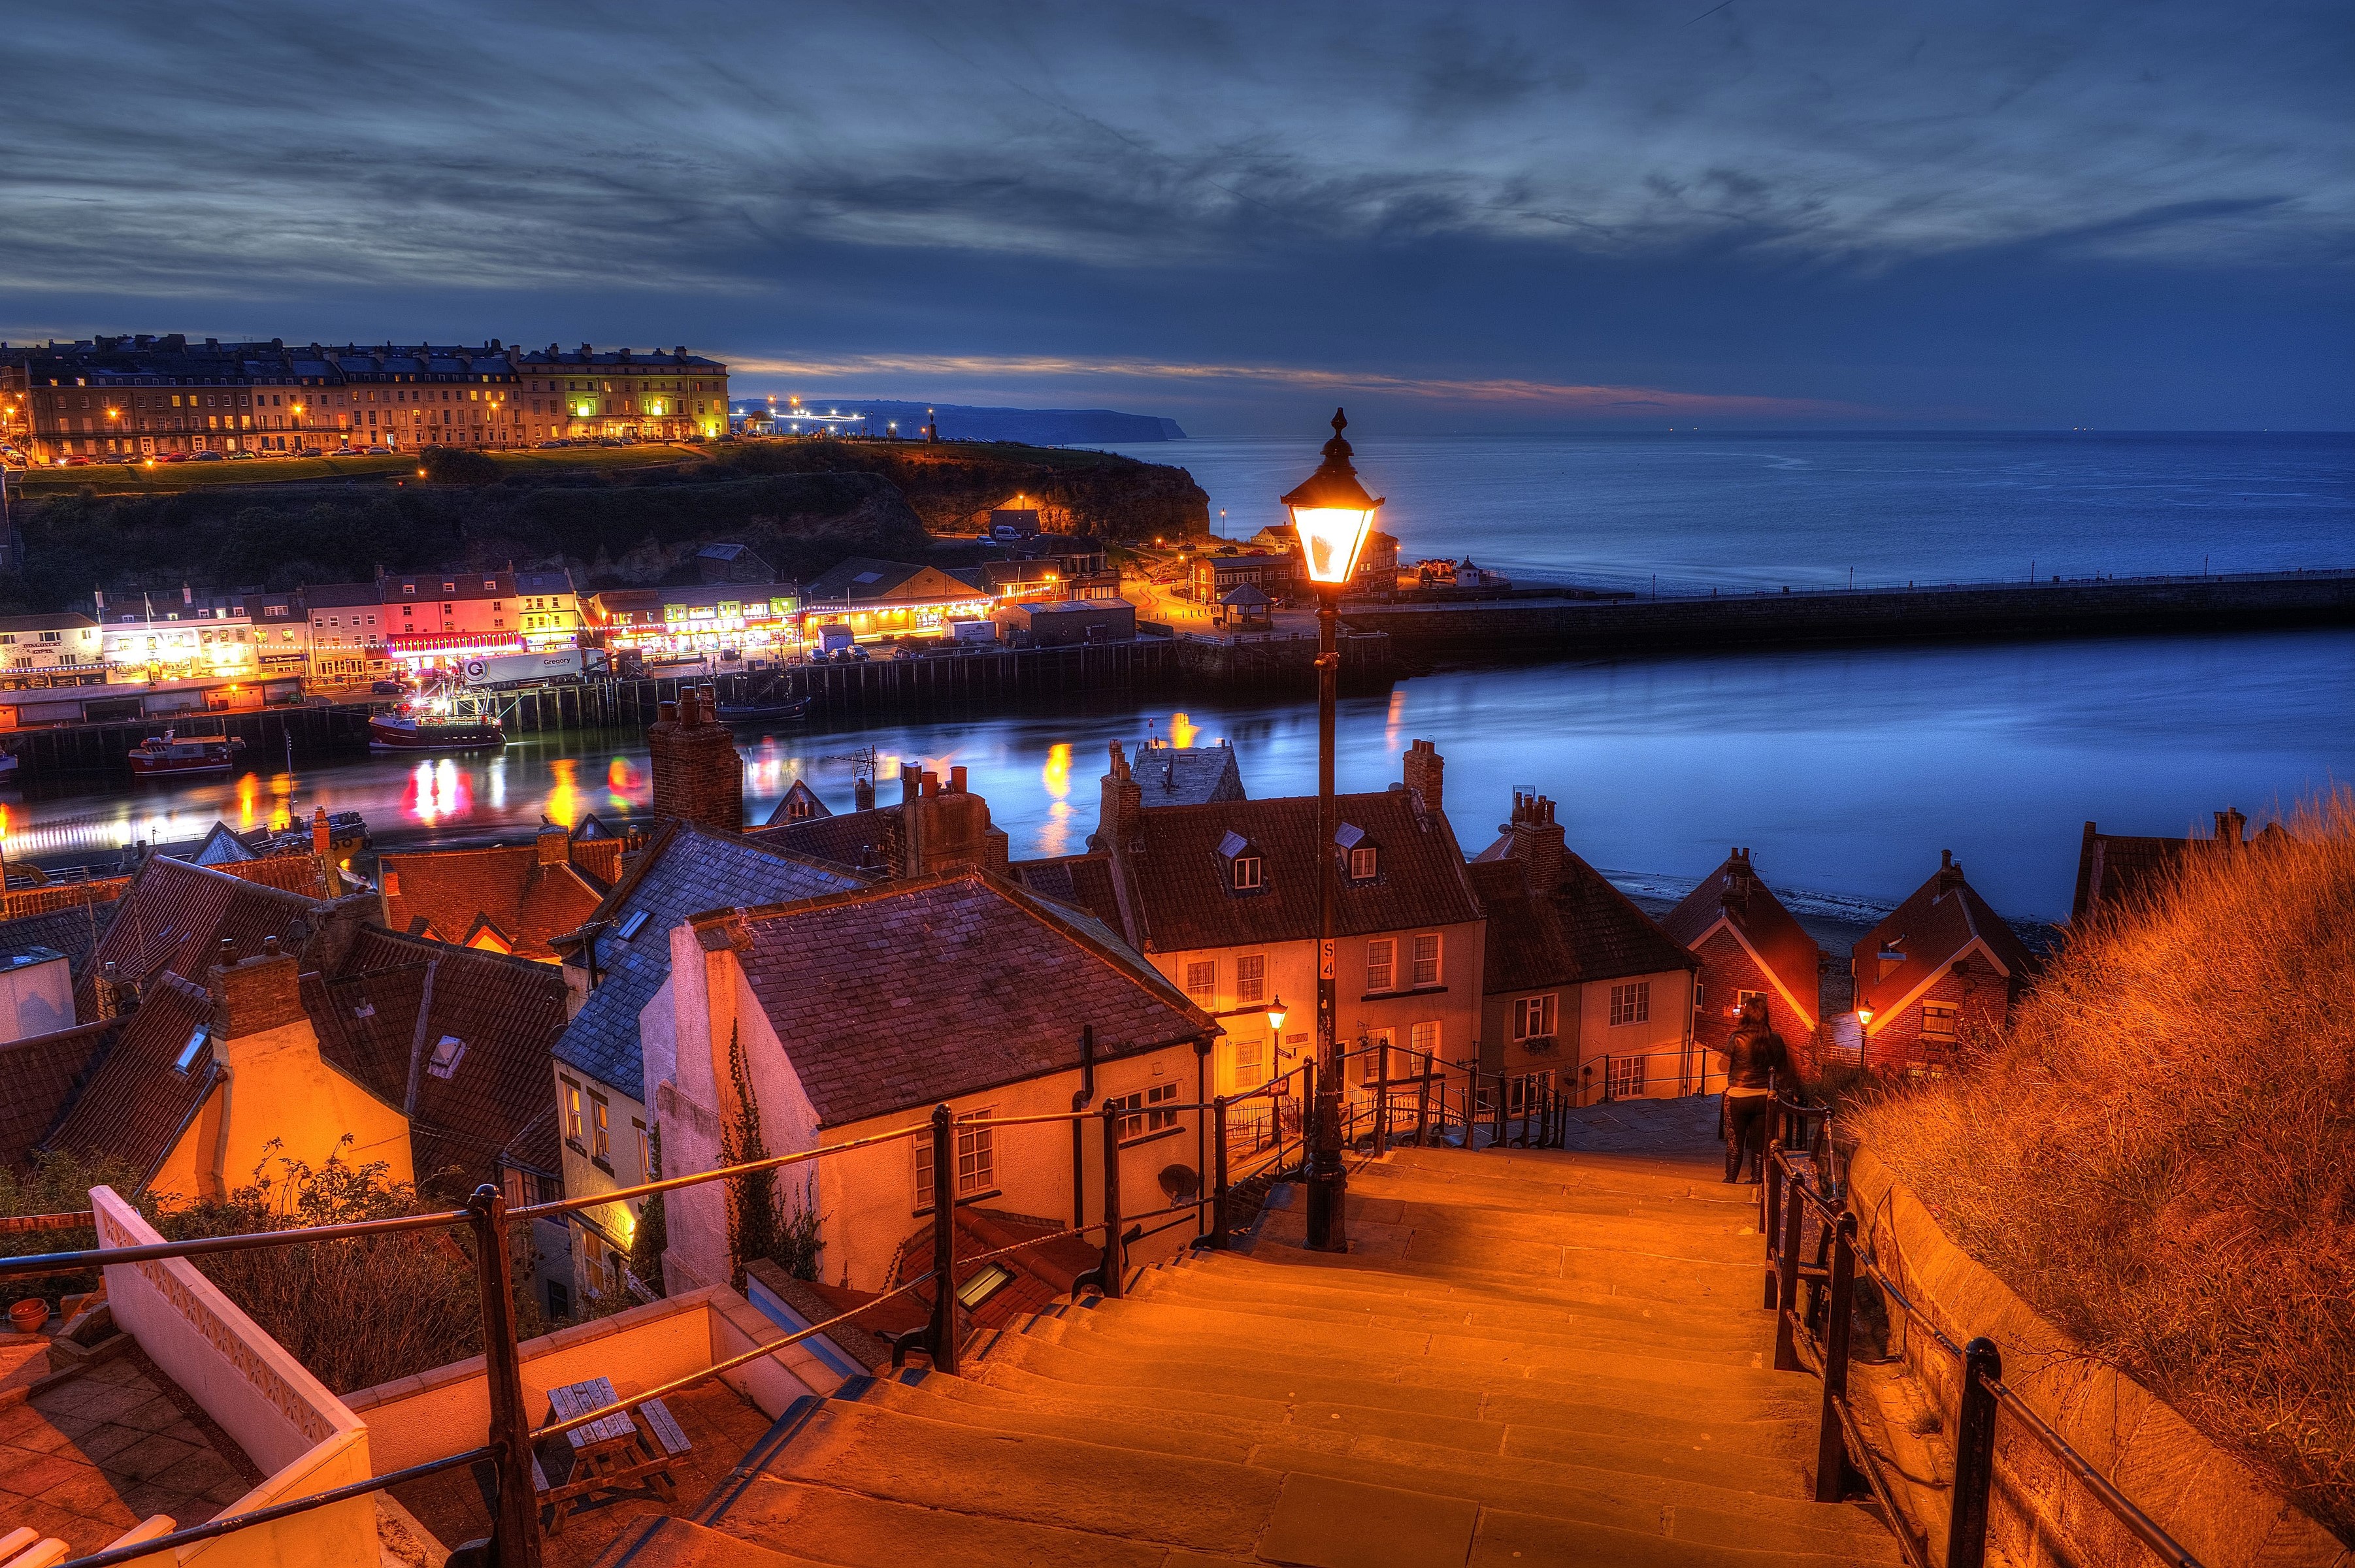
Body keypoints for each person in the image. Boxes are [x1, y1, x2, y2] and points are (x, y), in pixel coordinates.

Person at [1717, 994, 1790, 1183]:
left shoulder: (1737, 1039)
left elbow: (1722, 1066)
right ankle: (1757, 1179)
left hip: (1738, 1096)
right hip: (1764, 1098)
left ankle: (1731, 1178)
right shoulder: (1776, 1040)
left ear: (1746, 1015)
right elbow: (1782, 1071)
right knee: (1760, 1143)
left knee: (1735, 1141)